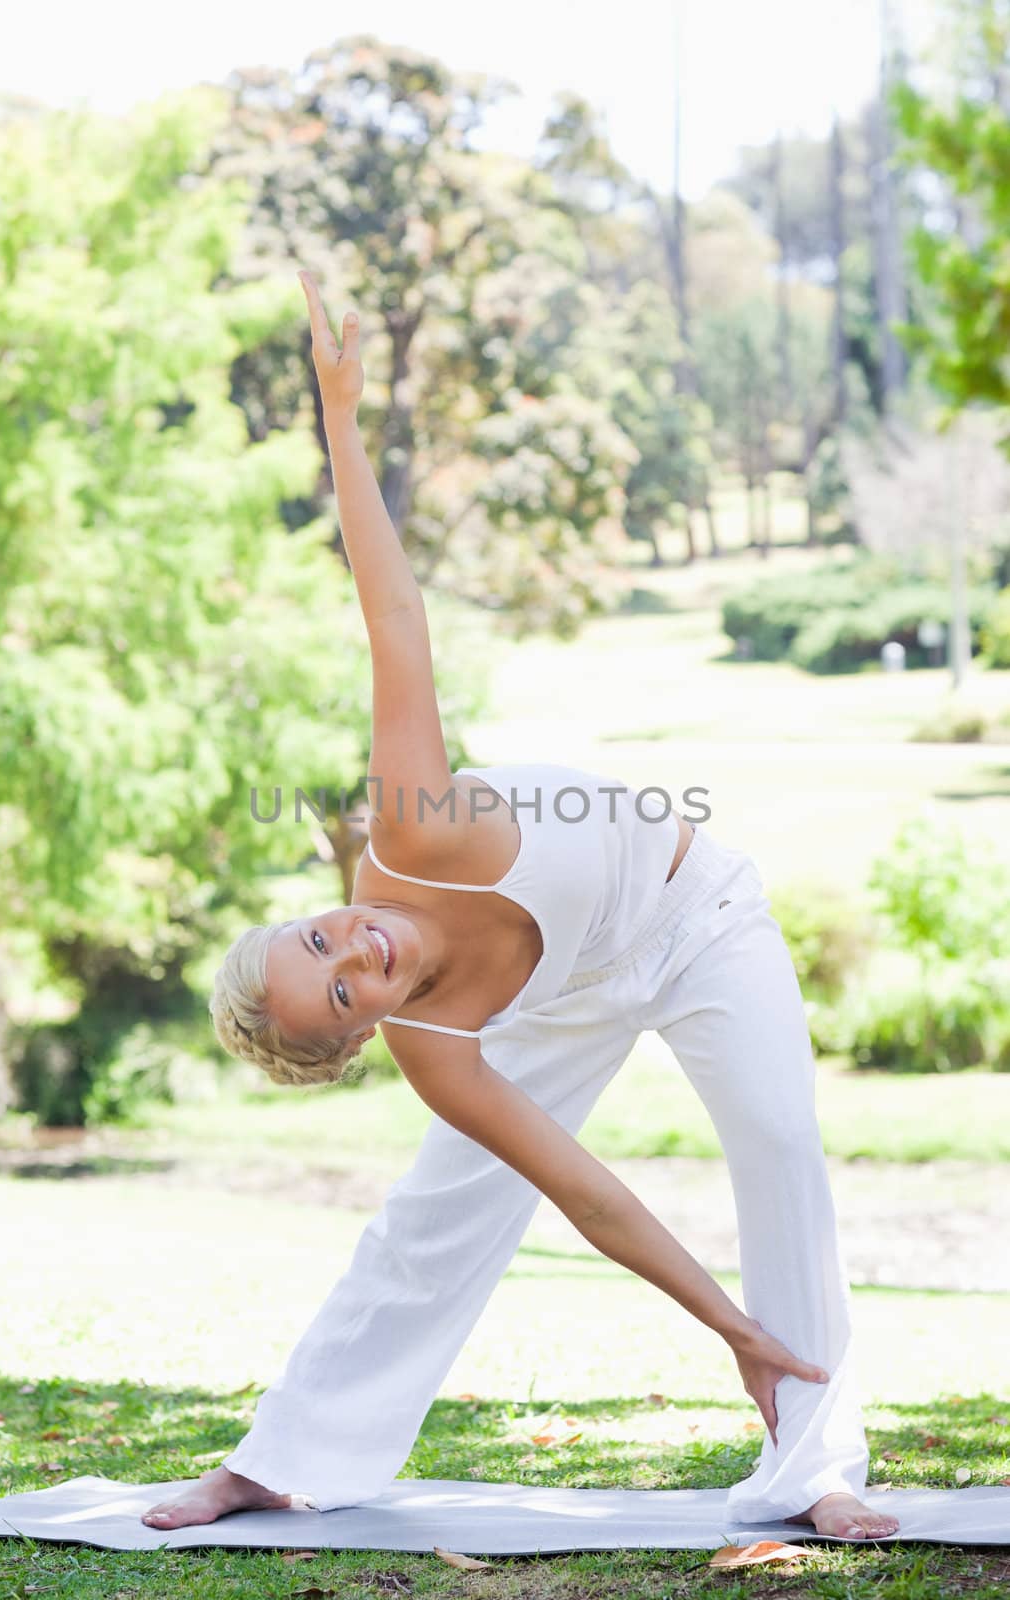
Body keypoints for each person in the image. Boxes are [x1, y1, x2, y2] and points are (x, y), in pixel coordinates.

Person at [142, 273, 898, 1542]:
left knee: (777, 1138)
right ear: (362, 1036)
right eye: (341, 992)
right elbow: (590, 1198)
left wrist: (339, 417)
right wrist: (721, 1325)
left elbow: (391, 613)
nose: (354, 948)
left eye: (322, 936)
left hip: (697, 917)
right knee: (436, 1215)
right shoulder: (437, 1053)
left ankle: (813, 1467)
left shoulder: (410, 828)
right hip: (558, 994)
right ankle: (283, 1458)